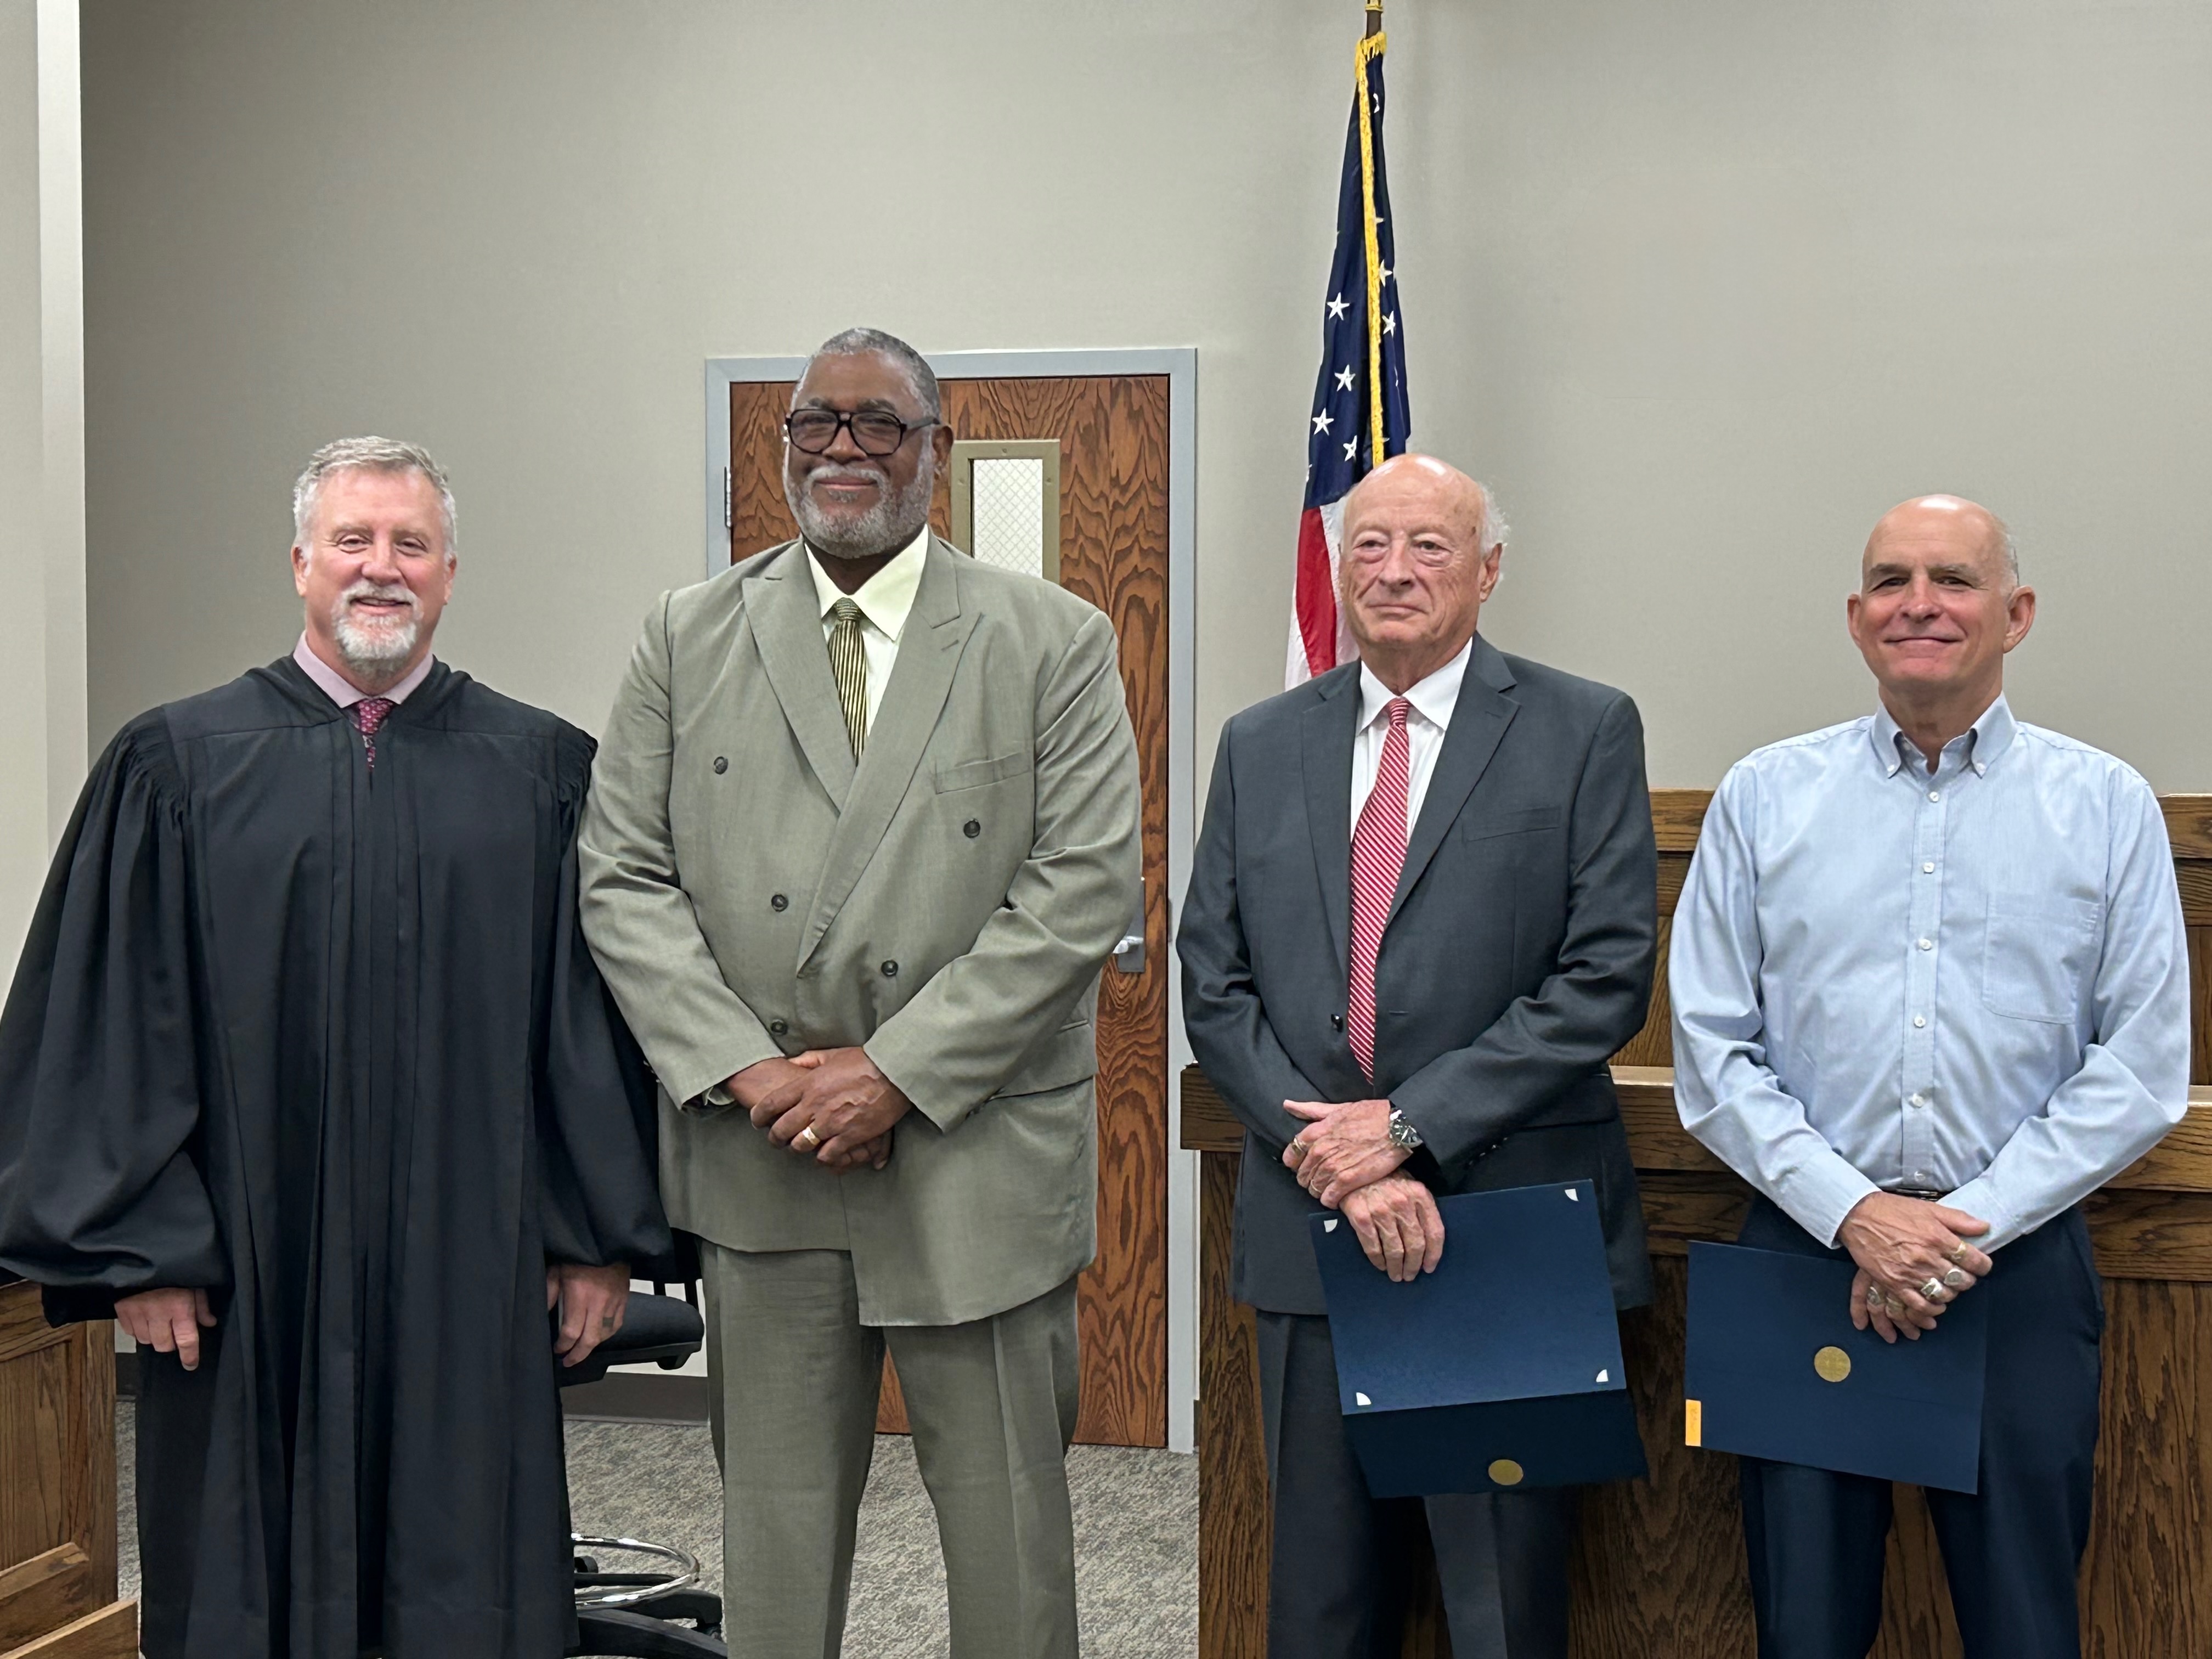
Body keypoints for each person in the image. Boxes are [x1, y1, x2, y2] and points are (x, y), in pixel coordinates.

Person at [0, 437, 669, 1659]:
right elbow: (109, 1028)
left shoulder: (541, 774)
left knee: (465, 1561)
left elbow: (589, 1029)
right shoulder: (175, 768)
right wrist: (142, 1249)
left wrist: (594, 1239)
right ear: (301, 562)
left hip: (471, 1260)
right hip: (249, 1278)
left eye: (410, 545)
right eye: (354, 542)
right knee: (246, 1571)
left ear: (451, 573)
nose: (382, 569)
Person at [578, 326, 1140, 1658]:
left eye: (879, 424)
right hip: (764, 1151)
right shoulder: (687, 633)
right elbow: (623, 878)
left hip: (976, 1153)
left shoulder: (1050, 639)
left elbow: (1081, 889)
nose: (843, 448)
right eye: (815, 424)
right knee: (772, 1543)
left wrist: (894, 1073)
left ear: (935, 451)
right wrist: (753, 1069)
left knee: (1010, 1543)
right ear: (781, 450)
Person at [1670, 494, 2189, 1659]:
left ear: (2016, 613)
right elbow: (1710, 1049)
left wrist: (1950, 1231)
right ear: (1856, 619)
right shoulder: (1765, 797)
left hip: (2018, 1267)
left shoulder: (2104, 806)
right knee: (1803, 1626)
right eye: (1892, 582)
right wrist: (1857, 1215)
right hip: (1807, 1257)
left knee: (2025, 1624)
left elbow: (2143, 1065)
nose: (1921, 605)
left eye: (1953, 580)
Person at [1177, 453, 1658, 1659]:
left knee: (1501, 1603)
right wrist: (1333, 1152)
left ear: (1489, 571)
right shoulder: (1261, 741)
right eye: (1371, 547)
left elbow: (1604, 980)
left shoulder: (1582, 727)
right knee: (1321, 1604)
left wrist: (1406, 1128)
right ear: (1338, 570)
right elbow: (1214, 981)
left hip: (1503, 1222)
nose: (1394, 571)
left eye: (1429, 546)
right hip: (1312, 1224)